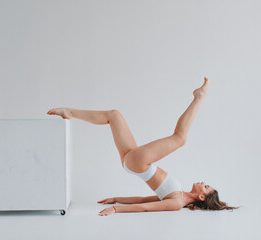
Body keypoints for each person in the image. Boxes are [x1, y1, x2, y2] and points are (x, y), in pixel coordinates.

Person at [47, 77, 239, 216]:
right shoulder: (179, 196)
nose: (203, 182)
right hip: (132, 162)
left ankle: (199, 98)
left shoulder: (176, 203)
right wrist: (116, 198)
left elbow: (144, 208)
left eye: (206, 187)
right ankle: (69, 112)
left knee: (180, 138)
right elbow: (141, 199)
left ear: (202, 197)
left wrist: (116, 209)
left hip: (140, 164)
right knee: (114, 115)